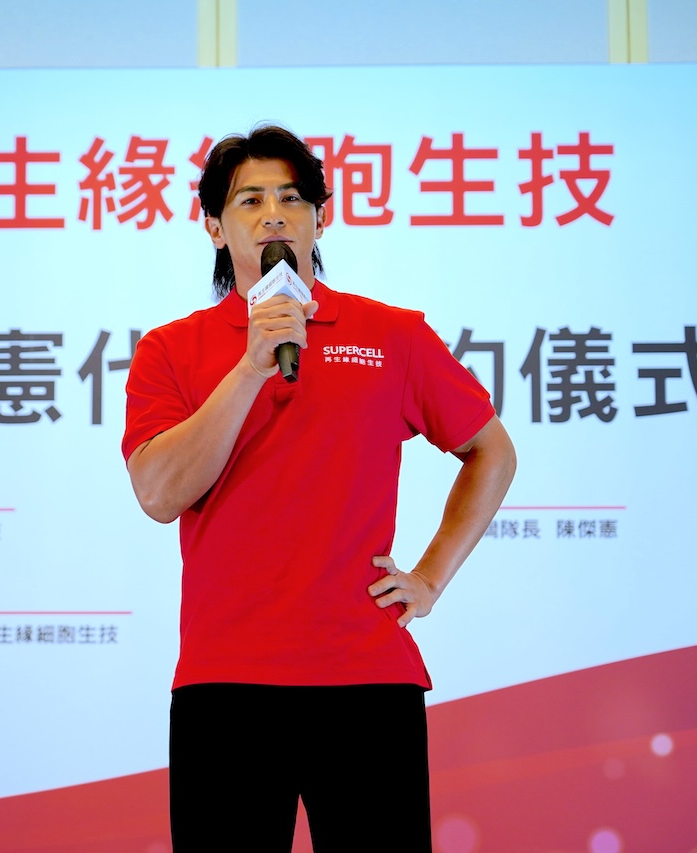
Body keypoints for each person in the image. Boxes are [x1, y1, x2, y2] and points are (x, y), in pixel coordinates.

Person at [121, 125, 516, 852]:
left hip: (366, 679)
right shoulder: (170, 349)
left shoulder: (393, 334)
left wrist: (430, 577)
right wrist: (251, 366)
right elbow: (159, 494)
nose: (274, 214)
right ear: (214, 228)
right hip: (226, 682)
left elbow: (489, 449)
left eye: (292, 198)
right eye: (250, 200)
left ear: (320, 219)